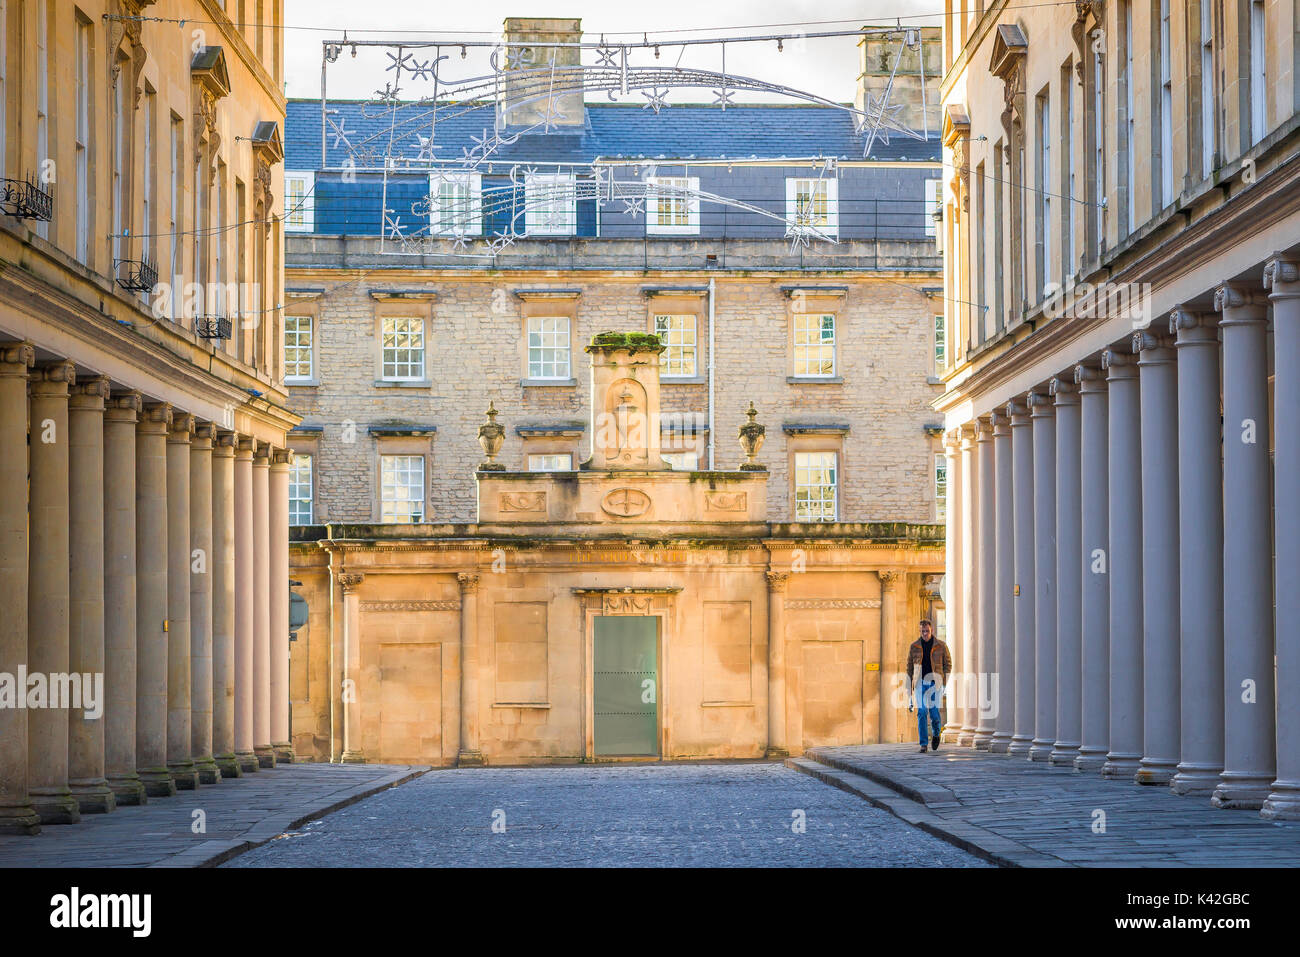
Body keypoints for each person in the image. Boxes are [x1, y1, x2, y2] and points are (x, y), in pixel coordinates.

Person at [905, 619, 952, 753]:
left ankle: (936, 734)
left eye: (927, 631)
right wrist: (909, 688)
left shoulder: (941, 646)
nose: (925, 633)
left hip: (935, 683)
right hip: (920, 683)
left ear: (932, 630)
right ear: (920, 631)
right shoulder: (914, 646)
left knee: (935, 715)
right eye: (922, 631)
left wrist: (944, 682)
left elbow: (948, 664)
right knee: (922, 712)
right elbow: (909, 668)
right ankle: (924, 744)